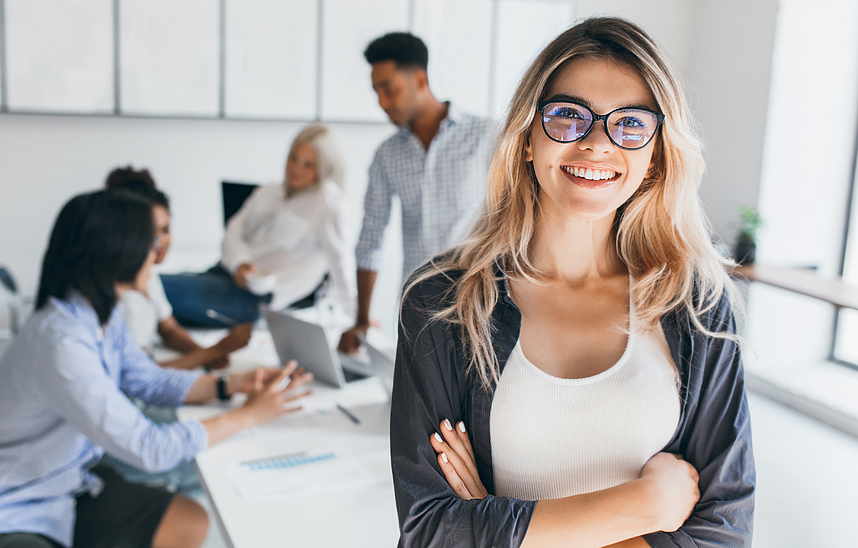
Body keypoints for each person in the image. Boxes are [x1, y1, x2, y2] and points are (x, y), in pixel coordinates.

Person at [391, 17, 754, 548]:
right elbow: (429, 531)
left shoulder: (696, 302)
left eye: (629, 123)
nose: (597, 143)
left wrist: (495, 524)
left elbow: (725, 534)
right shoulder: (441, 303)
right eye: (567, 116)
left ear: (654, 156)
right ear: (528, 139)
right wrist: (646, 505)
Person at [0, 190, 311, 548]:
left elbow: (149, 379)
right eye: (151, 241)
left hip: (63, 485)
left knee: (190, 521)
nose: (157, 251)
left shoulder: (100, 316)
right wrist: (249, 416)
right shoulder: (61, 342)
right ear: (119, 252)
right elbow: (149, 448)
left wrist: (233, 384)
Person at [338, 32, 498, 354]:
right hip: (418, 306)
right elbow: (371, 239)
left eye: (389, 90)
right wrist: (361, 319)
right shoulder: (386, 155)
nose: (383, 103)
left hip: (481, 302)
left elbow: (517, 214)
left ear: (420, 80)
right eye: (377, 92)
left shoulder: (487, 136)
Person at [161, 123, 356, 327]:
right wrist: (241, 264)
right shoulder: (270, 190)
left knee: (153, 288)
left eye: (308, 165)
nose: (296, 169)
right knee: (149, 293)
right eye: (293, 158)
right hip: (222, 274)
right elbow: (233, 231)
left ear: (323, 168)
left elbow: (341, 265)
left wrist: (358, 318)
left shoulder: (327, 203)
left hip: (251, 299)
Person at [105, 166, 251, 370]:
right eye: (152, 233)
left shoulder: (149, 277)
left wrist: (202, 353)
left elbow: (169, 329)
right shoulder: (125, 299)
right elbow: (140, 378)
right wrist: (214, 351)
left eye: (166, 230)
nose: (161, 242)